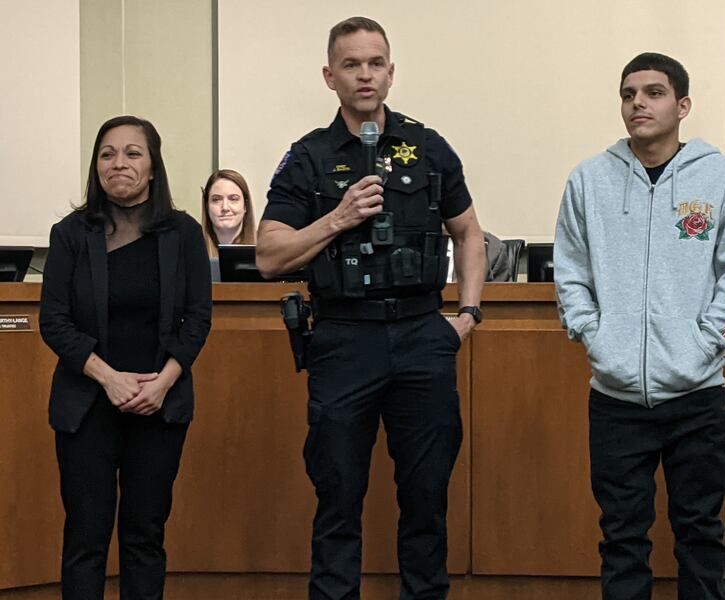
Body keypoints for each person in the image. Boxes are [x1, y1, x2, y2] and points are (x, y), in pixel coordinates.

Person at [256, 16, 485, 600]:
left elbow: (470, 233)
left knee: (427, 498)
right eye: (352, 64)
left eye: (375, 63)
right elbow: (269, 255)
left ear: (391, 72)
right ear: (330, 76)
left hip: (421, 336)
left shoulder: (427, 146)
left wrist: (467, 318)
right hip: (343, 339)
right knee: (337, 498)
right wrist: (337, 218)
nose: (365, 74)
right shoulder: (307, 157)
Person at [554, 52, 725, 599]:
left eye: (653, 93)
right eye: (628, 95)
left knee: (701, 532)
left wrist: (702, 345)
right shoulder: (589, 180)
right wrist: (593, 335)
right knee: (622, 536)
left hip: (696, 395)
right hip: (616, 396)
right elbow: (571, 270)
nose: (638, 104)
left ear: (683, 105)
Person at [39, 115, 212, 600]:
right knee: (85, 541)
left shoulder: (182, 232)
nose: (119, 163)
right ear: (96, 166)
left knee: (144, 539)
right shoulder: (70, 233)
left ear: (153, 166)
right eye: (107, 153)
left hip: (160, 406)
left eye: (133, 153)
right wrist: (108, 378)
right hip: (86, 405)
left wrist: (162, 383)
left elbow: (198, 319)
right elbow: (53, 321)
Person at [201, 168, 257, 258]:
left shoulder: (265, 248)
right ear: (207, 206)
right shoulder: (192, 248)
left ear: (245, 205)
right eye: (216, 200)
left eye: (233, 199)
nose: (225, 207)